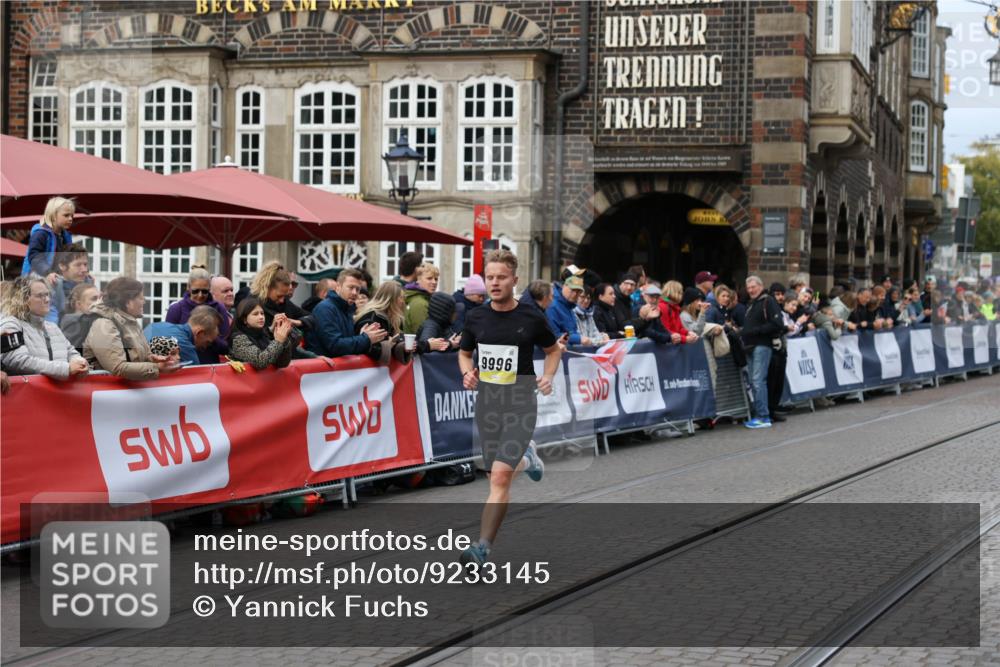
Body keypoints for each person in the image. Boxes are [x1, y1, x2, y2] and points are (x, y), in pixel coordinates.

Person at [457, 249, 561, 567]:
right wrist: (467, 373)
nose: (495, 283)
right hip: (488, 403)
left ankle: (482, 548)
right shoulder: (475, 317)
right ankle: (527, 456)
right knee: (494, 476)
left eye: (501, 277)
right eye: (490, 277)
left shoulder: (531, 317)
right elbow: (464, 353)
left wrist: (548, 376)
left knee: (500, 478)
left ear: (514, 280)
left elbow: (553, 350)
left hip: (520, 403)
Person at [84, 277, 180, 380]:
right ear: (128, 302)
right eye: (140, 298)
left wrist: (152, 358)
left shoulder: (130, 321)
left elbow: (136, 356)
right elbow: (117, 367)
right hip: (103, 391)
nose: (144, 302)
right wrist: (156, 368)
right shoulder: (103, 324)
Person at [0, 277, 89, 380]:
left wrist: (80, 362)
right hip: (28, 394)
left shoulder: (52, 327)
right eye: (40, 296)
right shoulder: (11, 324)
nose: (47, 300)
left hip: (59, 393)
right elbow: (17, 360)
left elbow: (70, 351)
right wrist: (66, 369)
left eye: (47, 294)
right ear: (23, 299)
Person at [308, 268, 387, 357]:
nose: (354, 293)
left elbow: (346, 342)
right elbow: (335, 346)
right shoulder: (325, 309)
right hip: (322, 369)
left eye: (357, 289)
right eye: (351, 287)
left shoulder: (348, 309)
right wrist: (365, 338)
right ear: (338, 286)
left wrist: (362, 336)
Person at [740, 275, 783, 429]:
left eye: (754, 287)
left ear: (761, 286)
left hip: (762, 346)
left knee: (758, 381)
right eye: (749, 287)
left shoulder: (768, 301)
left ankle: (763, 417)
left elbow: (778, 323)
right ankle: (761, 415)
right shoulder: (752, 303)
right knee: (754, 382)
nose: (751, 290)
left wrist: (756, 331)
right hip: (751, 347)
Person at [249, 261, 315, 358]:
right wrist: (271, 330)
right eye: (279, 296)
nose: (282, 300)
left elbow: (312, 317)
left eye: (285, 296)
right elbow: (251, 341)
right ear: (267, 287)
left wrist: (296, 322)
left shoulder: (285, 303)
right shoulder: (251, 304)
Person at [166, 267, 232, 363]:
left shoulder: (218, 308)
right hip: (183, 366)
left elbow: (227, 347)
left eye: (204, 291)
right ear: (188, 287)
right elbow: (168, 341)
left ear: (210, 289)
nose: (200, 295)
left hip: (209, 366)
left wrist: (209, 337)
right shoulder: (177, 309)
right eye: (195, 291)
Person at [227, 297, 295, 370]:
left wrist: (284, 340)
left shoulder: (263, 335)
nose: (261, 317)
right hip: (243, 381)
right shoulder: (239, 339)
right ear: (244, 319)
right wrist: (278, 341)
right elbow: (260, 361)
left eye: (262, 313)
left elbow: (282, 363)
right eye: (255, 314)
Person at [145, 305, 223, 366]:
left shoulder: (156, 325)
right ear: (200, 333)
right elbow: (196, 378)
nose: (205, 347)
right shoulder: (185, 346)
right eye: (207, 342)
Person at [354, 281, 410, 364]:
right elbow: (369, 348)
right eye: (400, 297)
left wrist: (403, 347)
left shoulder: (394, 318)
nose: (403, 301)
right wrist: (388, 345)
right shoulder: (372, 317)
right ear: (391, 298)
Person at [22, 197, 75, 281]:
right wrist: (48, 272)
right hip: (34, 277)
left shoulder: (66, 236)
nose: (70, 219)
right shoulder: (41, 234)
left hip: (54, 276)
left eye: (72, 215)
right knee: (59, 284)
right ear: (53, 216)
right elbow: (34, 256)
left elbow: (69, 260)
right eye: (66, 215)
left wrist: (83, 273)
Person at [47, 242, 90, 323]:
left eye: (85, 264)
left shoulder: (89, 285)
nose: (84, 269)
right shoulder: (52, 287)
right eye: (78, 265)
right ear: (62, 266)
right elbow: (51, 323)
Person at [546, 276, 594, 345]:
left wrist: (578, 338)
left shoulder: (569, 306)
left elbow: (570, 332)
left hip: (567, 350)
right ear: (564, 286)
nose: (575, 294)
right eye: (572, 290)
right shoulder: (552, 305)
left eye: (578, 292)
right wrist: (578, 339)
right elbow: (553, 335)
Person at [59, 283, 101, 352]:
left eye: (100, 298)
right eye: (94, 299)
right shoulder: (74, 323)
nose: (99, 302)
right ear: (78, 304)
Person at [403, 263, 440, 334]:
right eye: (429, 278)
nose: (434, 282)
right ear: (418, 279)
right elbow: (422, 334)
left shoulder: (421, 298)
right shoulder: (420, 303)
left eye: (436, 279)